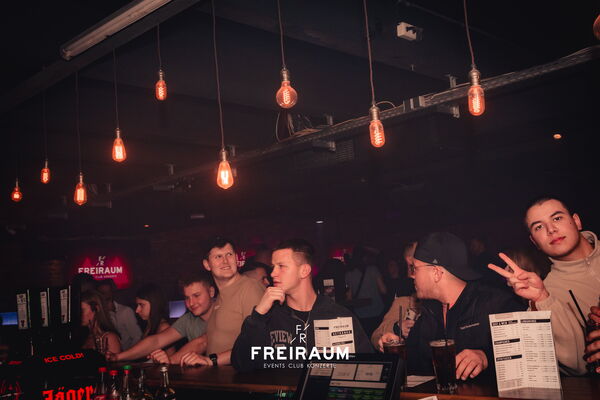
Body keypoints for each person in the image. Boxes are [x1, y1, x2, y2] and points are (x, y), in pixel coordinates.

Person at [380, 232, 525, 380]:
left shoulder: (497, 305)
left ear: (436, 273)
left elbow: (527, 357)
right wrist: (396, 346)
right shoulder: (429, 312)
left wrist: (487, 358)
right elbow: (415, 366)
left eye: (414, 268)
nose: (411, 275)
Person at [488, 196, 600, 375]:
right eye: (539, 227)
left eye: (557, 218)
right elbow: (578, 365)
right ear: (534, 241)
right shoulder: (547, 291)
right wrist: (542, 300)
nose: (551, 230)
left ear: (576, 221)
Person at [231, 238, 373, 372]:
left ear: (304, 270)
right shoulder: (268, 317)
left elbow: (367, 367)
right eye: (273, 267)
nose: (273, 273)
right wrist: (258, 315)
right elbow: (241, 364)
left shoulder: (338, 315)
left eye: (281, 266)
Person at [178, 237, 265, 366]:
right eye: (218, 257)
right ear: (207, 265)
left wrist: (211, 360)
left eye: (229, 254)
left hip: (243, 375)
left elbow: (257, 343)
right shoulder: (221, 296)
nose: (225, 261)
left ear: (236, 258)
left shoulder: (249, 288)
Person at [107, 271, 215, 364]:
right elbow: (156, 341)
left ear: (211, 292)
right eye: (187, 298)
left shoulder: (221, 313)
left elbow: (201, 343)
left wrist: (170, 361)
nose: (191, 303)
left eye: (196, 295)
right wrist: (118, 357)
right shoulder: (188, 319)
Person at [371, 241, 417, 349]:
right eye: (409, 266)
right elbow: (376, 336)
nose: (411, 274)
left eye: (414, 266)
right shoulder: (405, 297)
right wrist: (396, 327)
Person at [345, 245, 387, 336]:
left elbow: (349, 297)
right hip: (377, 309)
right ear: (365, 257)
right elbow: (383, 290)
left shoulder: (349, 274)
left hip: (360, 313)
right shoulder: (374, 270)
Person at [96, 279, 142, 350]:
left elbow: (137, 336)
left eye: (108, 292)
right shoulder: (98, 314)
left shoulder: (125, 311)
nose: (106, 295)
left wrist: (127, 353)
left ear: (112, 292)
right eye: (103, 293)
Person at [135, 283, 176, 357]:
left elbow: (171, 358)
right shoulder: (149, 324)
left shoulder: (163, 327)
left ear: (154, 303)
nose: (137, 310)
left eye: (141, 305)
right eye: (137, 305)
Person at [80, 290, 121, 354]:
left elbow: (113, 359)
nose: (79, 314)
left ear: (96, 309)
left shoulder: (109, 338)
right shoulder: (83, 336)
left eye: (82, 310)